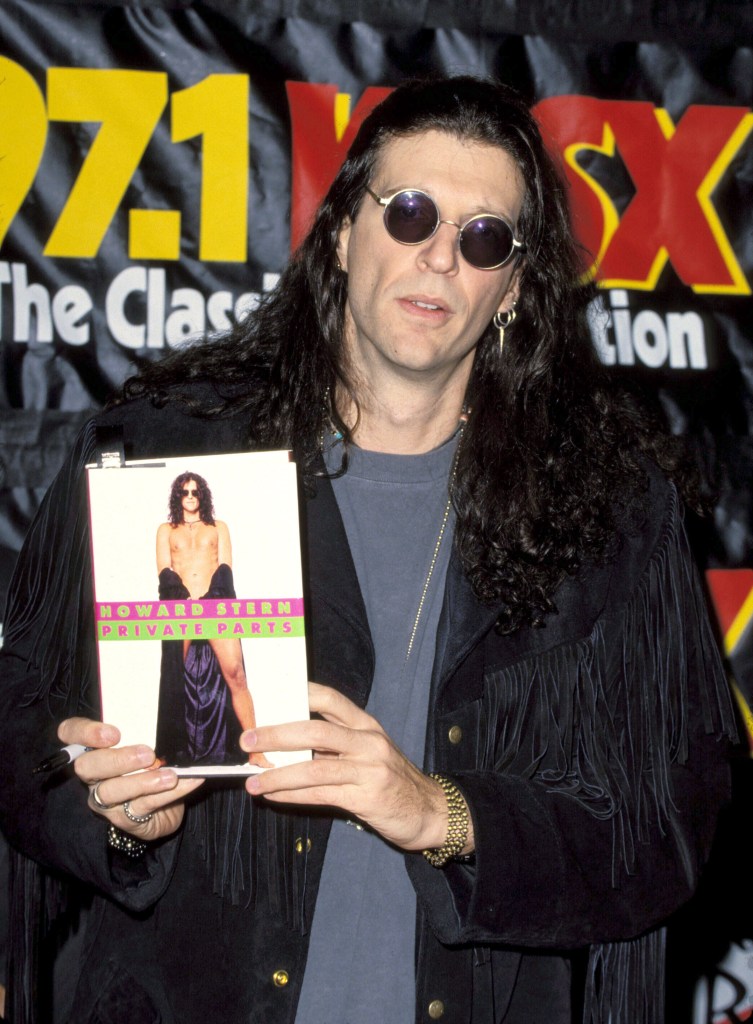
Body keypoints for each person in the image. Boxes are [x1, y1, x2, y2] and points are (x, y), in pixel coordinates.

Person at [0, 76, 735, 1024]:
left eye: (483, 239)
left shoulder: (608, 514)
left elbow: (669, 825)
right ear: (343, 234)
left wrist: (442, 814)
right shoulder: (163, 455)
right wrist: (108, 809)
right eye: (411, 213)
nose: (439, 258)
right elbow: (20, 725)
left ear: (510, 289)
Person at [155, 472, 272, 767]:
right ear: (177, 497)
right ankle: (164, 754)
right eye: (185, 492)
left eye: (195, 491)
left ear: (202, 495)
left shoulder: (218, 527)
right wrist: (183, 600)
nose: (191, 496)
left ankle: (255, 750)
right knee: (172, 680)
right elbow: (164, 571)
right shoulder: (166, 530)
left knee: (236, 674)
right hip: (180, 608)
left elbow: (225, 567)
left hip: (215, 606)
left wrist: (211, 602)